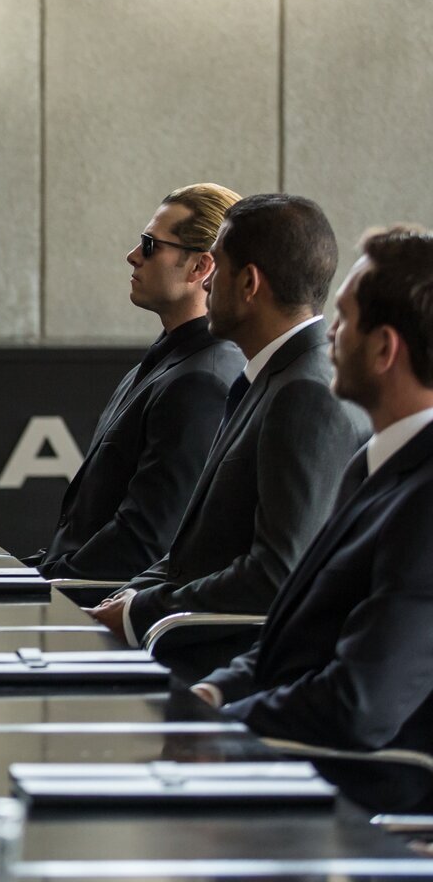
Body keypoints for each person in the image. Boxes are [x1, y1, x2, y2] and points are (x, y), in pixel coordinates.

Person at [89, 194, 369, 662]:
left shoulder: (305, 393)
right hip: (186, 643)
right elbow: (192, 555)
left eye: (216, 267)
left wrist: (140, 614)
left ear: (249, 283)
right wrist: (127, 601)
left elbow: (277, 575)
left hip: (220, 666)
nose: (206, 282)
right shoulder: (271, 377)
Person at [192, 227, 433, 751]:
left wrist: (223, 726)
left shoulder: (425, 503)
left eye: (344, 319)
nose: (330, 334)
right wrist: (214, 692)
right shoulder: (373, 464)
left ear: (384, 348)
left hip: (349, 785)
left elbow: (359, 706)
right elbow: (297, 641)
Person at [37, 185, 245, 579]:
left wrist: (44, 584)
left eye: (150, 245)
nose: (133, 255)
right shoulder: (162, 364)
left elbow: (146, 544)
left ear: (201, 267)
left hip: (100, 608)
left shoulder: (202, 381)